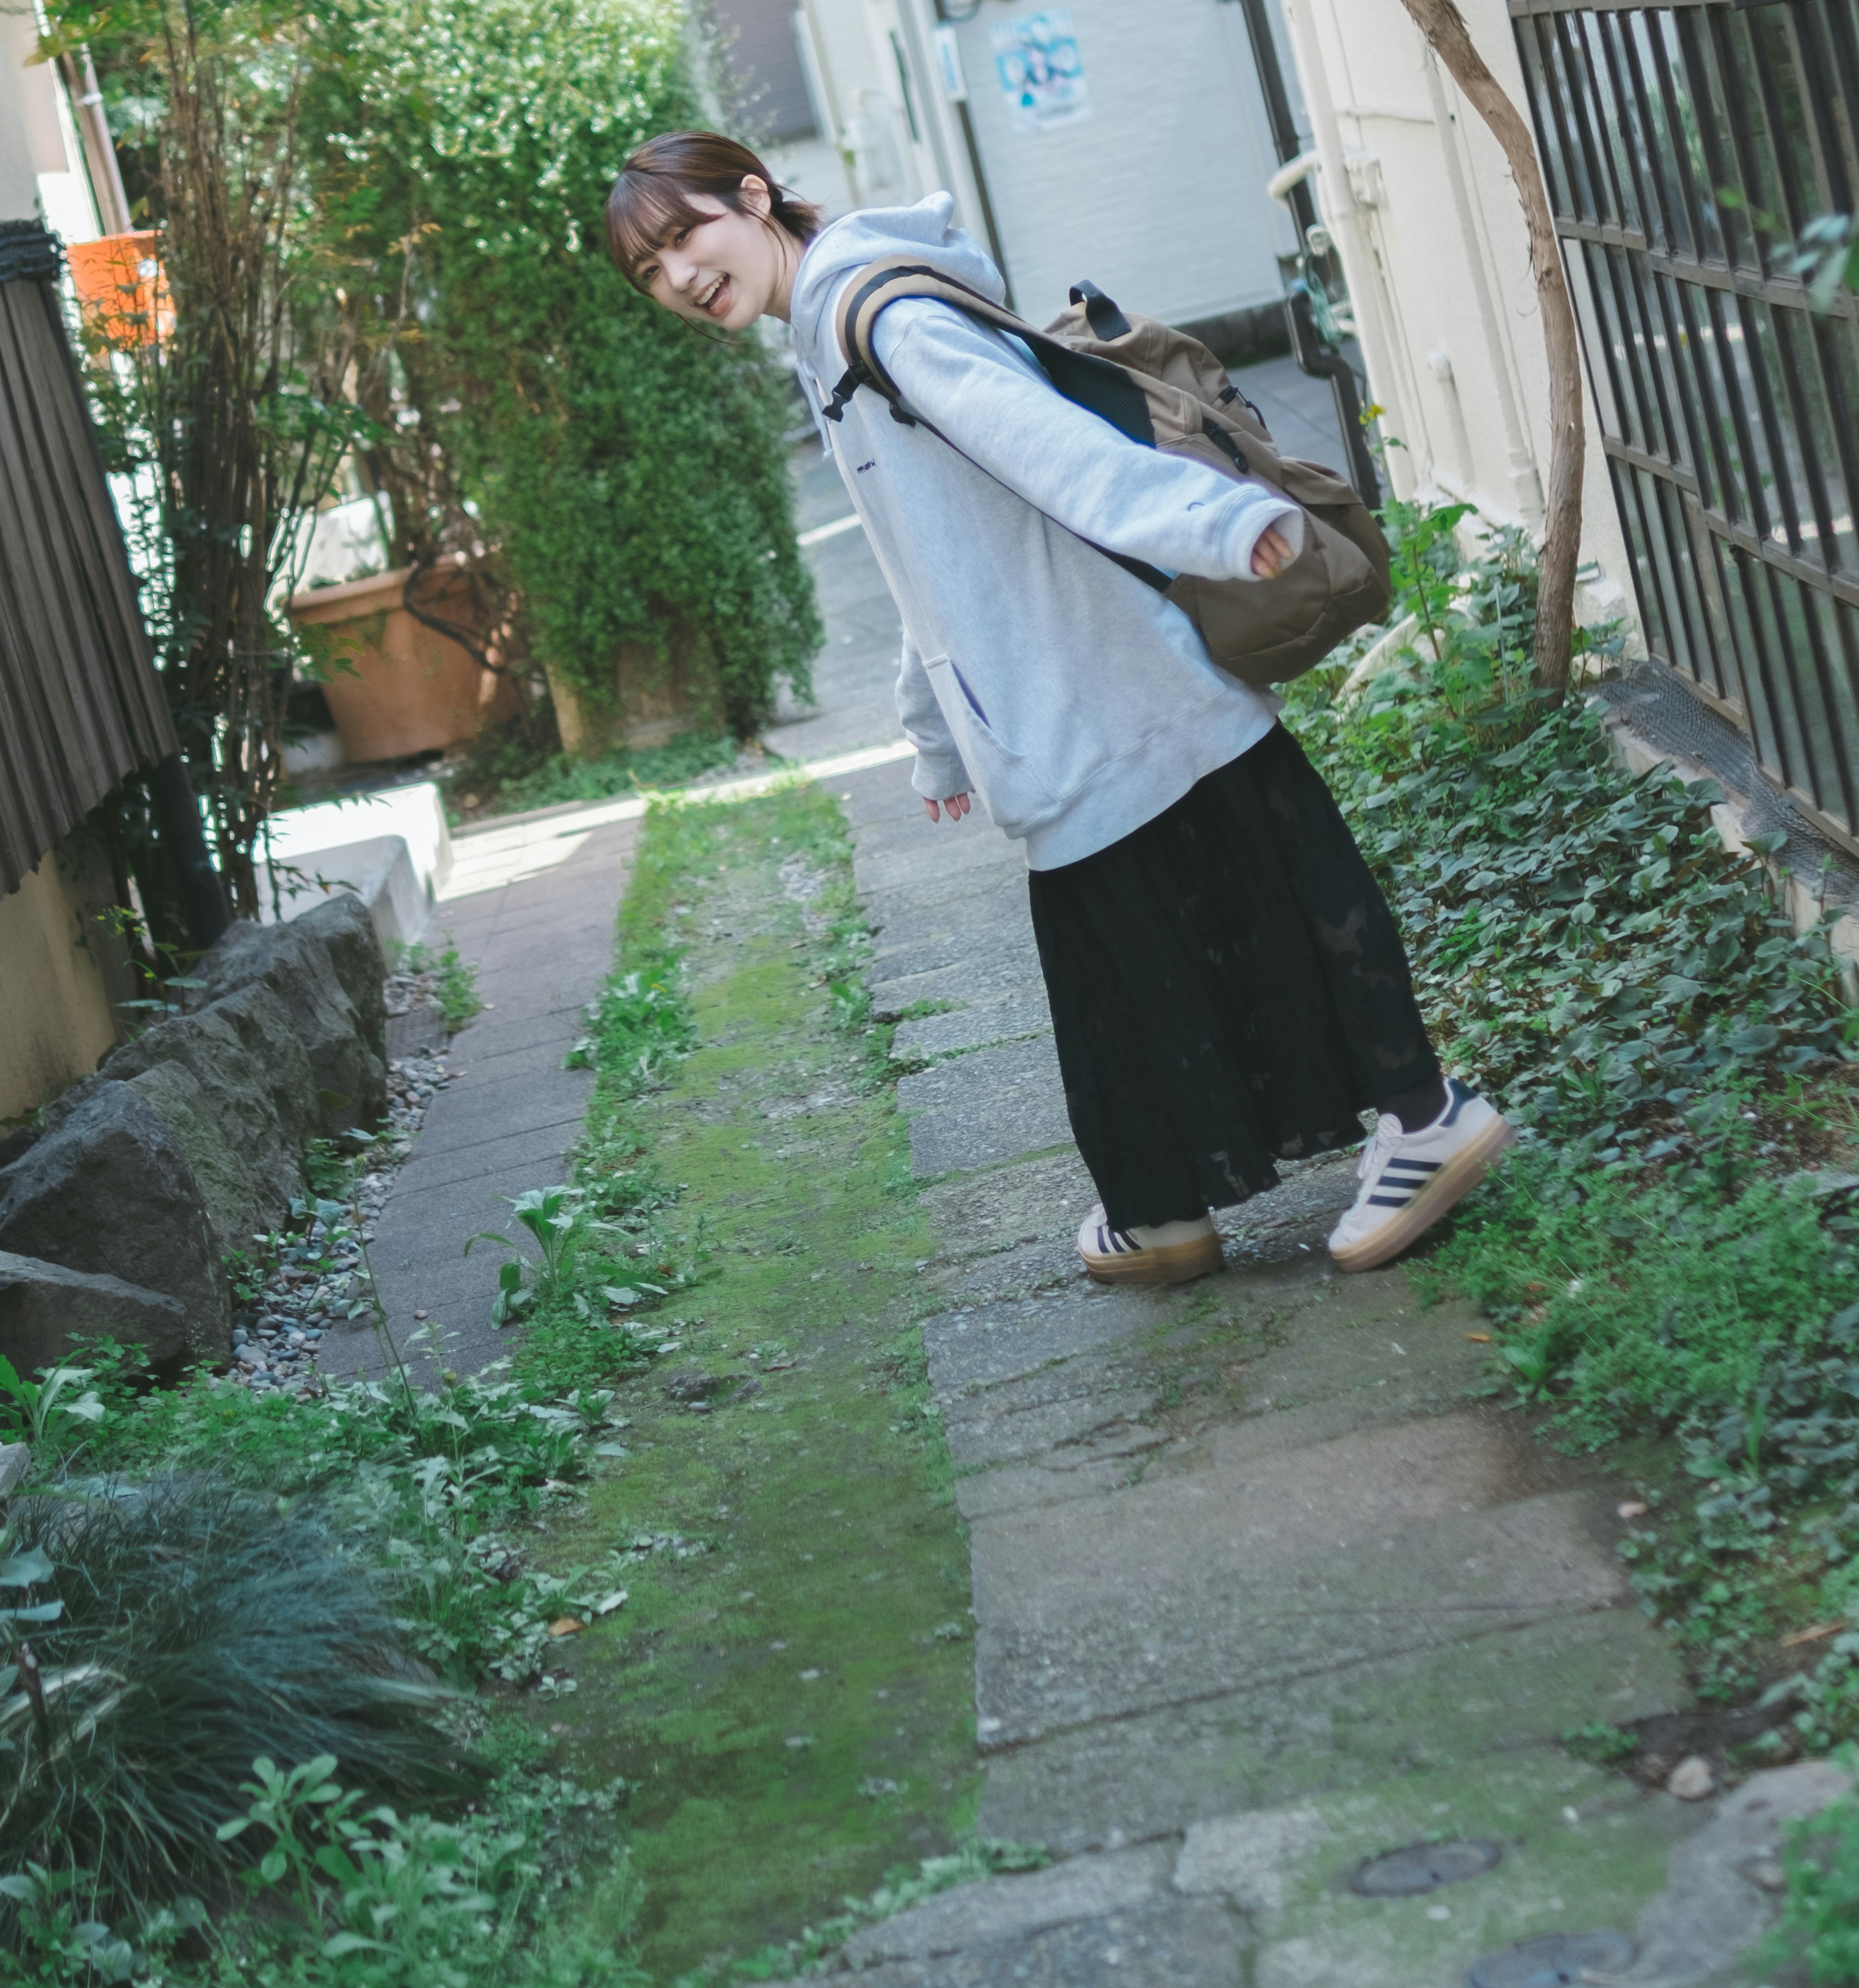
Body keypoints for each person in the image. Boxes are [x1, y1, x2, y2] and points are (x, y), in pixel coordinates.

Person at [607, 130, 1508, 1284]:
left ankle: (1401, 1131)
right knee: (1185, 940)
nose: (679, 276)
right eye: (651, 270)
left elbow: (1056, 450)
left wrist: (1220, 526)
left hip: (1100, 683)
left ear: (753, 195)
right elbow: (919, 567)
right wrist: (935, 736)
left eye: (686, 236)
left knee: (1202, 933)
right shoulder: (827, 335)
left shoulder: (876, 319)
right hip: (1079, 692)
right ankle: (1169, 1204)